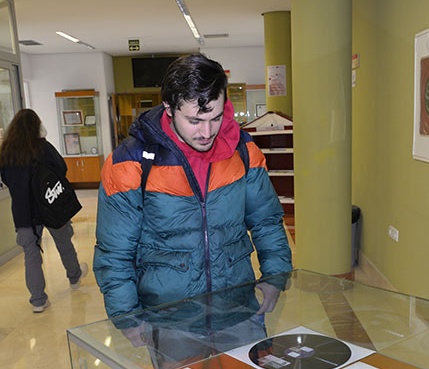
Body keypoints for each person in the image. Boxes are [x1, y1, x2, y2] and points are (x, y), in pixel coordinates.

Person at [93, 53, 293, 343]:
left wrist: (275, 276)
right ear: (169, 108)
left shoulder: (244, 152)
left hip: (237, 309)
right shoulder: (130, 162)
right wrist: (126, 317)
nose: (207, 132)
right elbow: (114, 251)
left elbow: (267, 221)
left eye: (215, 117)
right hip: (170, 319)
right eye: (195, 121)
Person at [0, 108, 88, 313]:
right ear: (36, 126)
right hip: (51, 205)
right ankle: (74, 277)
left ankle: (38, 300)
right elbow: (62, 168)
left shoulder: (7, 152)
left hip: (23, 213)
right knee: (64, 241)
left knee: (31, 254)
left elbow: (6, 179)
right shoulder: (42, 147)